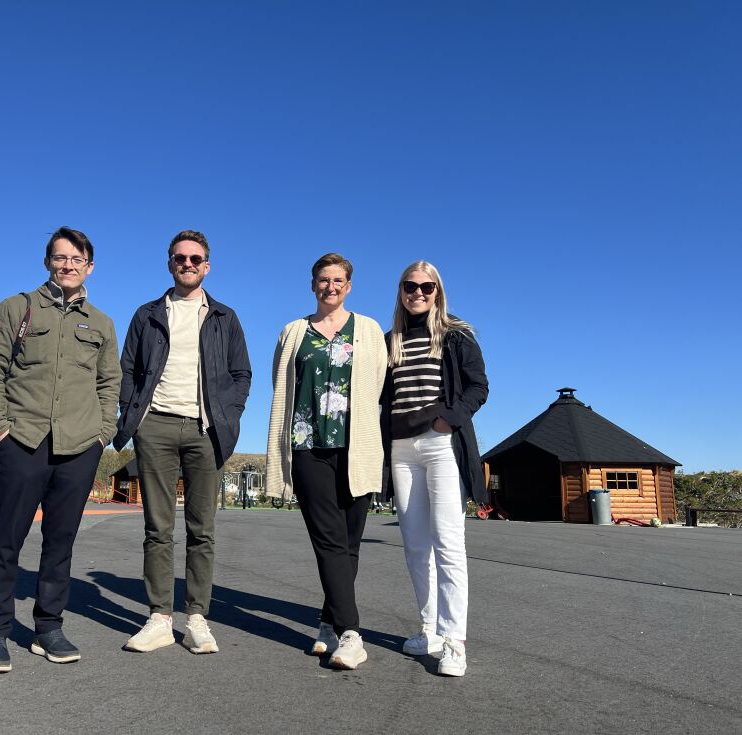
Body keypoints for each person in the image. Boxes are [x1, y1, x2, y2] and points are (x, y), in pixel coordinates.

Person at [0, 227, 120, 674]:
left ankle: (48, 626)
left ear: (89, 266)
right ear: (47, 262)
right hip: (23, 440)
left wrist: (102, 434)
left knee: (61, 541)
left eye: (77, 259)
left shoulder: (101, 323)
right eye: (60, 258)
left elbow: (110, 383)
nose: (67, 265)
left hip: (79, 445)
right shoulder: (16, 308)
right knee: (6, 538)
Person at [114, 229, 251, 654]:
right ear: (170, 263)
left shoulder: (225, 318)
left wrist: (229, 414)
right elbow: (128, 371)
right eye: (180, 258)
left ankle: (196, 617)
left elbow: (241, 374)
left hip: (205, 430)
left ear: (206, 266)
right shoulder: (148, 314)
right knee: (158, 527)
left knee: (201, 529)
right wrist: (135, 419)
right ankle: (159, 616)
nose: (187, 264)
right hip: (154, 426)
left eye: (195, 259)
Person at [265, 253, 387, 670]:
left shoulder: (369, 330)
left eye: (337, 280)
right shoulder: (294, 332)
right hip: (308, 446)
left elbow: (377, 384)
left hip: (358, 448)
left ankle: (328, 622)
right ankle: (352, 633)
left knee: (350, 544)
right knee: (329, 540)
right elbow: (281, 385)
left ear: (348, 285)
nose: (330, 287)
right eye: (322, 280)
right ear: (312, 284)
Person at [381, 260, 488, 677]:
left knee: (448, 542)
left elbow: (479, 386)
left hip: (441, 444)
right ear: (401, 290)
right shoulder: (391, 339)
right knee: (413, 543)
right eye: (411, 286)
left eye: (427, 287)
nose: (418, 293)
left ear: (438, 291)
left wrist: (449, 418)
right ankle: (429, 630)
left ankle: (455, 641)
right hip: (401, 449)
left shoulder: (456, 334)